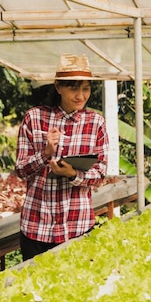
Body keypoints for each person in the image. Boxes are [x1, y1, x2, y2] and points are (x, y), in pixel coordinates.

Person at [15, 54, 108, 261]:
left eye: (86, 89)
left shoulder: (96, 123)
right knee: (33, 290)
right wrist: (45, 154)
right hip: (36, 226)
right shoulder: (34, 118)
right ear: (58, 87)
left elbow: (100, 174)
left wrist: (73, 174)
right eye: (74, 88)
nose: (81, 96)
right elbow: (21, 170)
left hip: (77, 225)